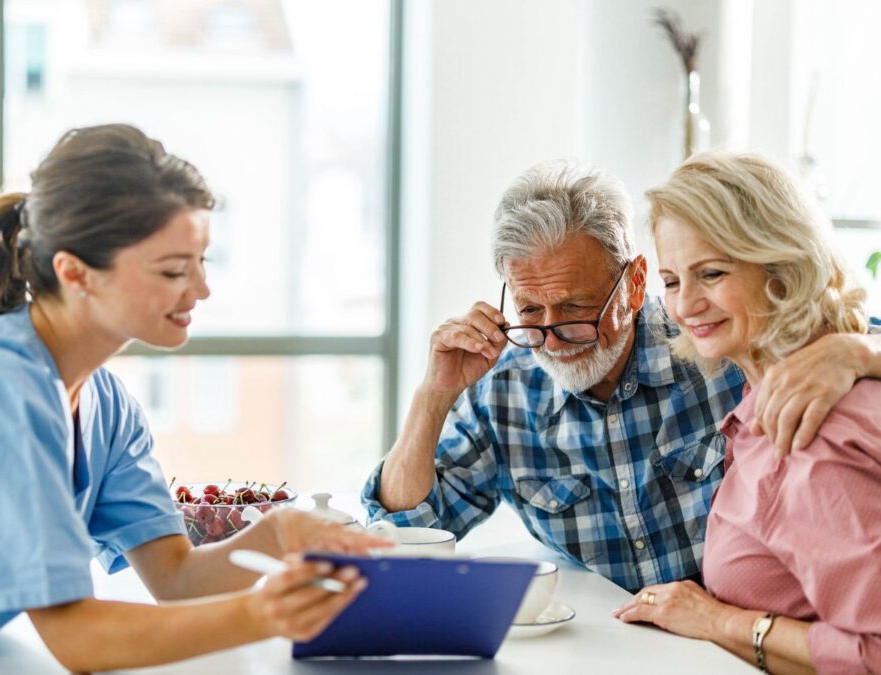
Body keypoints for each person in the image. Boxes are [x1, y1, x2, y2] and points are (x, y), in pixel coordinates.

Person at [0, 124, 388, 674]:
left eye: (201, 262)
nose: (202, 290)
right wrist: (262, 615)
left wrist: (284, 531)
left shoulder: (106, 405)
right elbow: (76, 637)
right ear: (76, 273)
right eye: (172, 271)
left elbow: (176, 579)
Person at [362, 161, 881, 592]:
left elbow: (841, 325)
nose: (551, 337)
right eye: (529, 311)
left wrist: (856, 350)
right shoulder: (504, 391)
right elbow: (405, 536)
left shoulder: (713, 337)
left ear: (634, 284)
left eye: (574, 308)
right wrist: (433, 397)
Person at [614, 153, 881, 673]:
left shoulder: (807, 433)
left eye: (711, 273)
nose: (685, 304)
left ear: (781, 269)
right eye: (671, 281)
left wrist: (716, 620)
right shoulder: (803, 377)